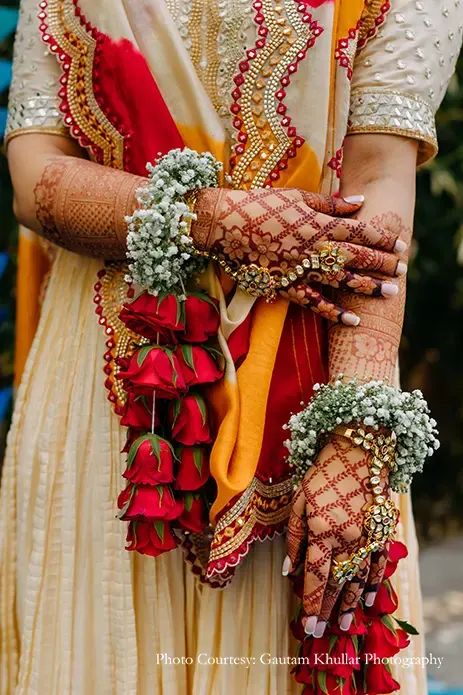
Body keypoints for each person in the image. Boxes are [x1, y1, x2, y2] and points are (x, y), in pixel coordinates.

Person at [0, 1, 461, 693]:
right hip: (111, 396)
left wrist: (357, 436)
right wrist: (205, 219)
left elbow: (376, 184)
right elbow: (35, 170)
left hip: (315, 382)